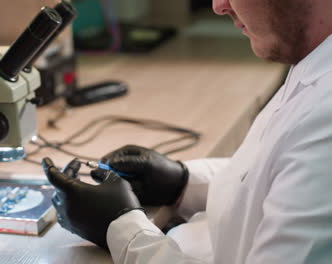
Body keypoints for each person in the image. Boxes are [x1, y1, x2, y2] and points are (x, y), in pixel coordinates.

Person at [42, 0, 332, 262]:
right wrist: (183, 183)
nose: (219, 5)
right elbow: (279, 176)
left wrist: (122, 228)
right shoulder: (314, 62)